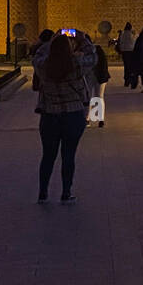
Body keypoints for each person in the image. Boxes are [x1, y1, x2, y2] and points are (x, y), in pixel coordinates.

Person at [32, 31, 94, 204]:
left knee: (48, 156)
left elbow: (37, 55)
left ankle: (43, 193)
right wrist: (81, 38)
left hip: (50, 116)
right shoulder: (76, 64)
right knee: (68, 155)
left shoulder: (45, 66)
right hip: (73, 115)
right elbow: (92, 55)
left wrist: (51, 41)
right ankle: (66, 193)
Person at [92, 41, 110, 127]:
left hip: (97, 77)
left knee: (93, 97)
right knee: (99, 97)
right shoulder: (99, 52)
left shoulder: (91, 52)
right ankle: (99, 118)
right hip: (101, 77)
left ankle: (91, 118)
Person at [117, 22, 137, 89]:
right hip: (131, 51)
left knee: (126, 66)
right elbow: (134, 41)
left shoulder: (123, 34)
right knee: (131, 67)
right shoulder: (131, 34)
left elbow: (120, 42)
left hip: (124, 52)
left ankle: (126, 81)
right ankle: (131, 80)